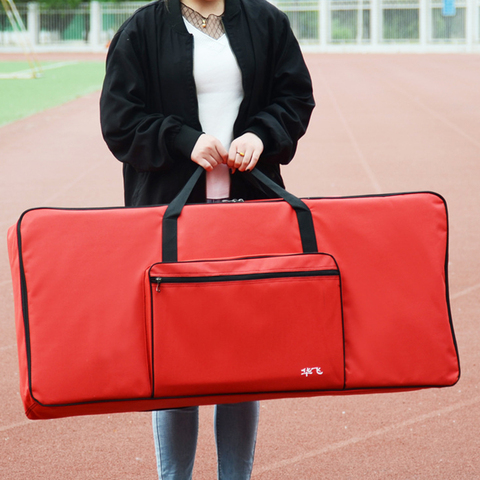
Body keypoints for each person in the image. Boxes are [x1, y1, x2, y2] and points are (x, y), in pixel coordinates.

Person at [99, 0, 314, 478]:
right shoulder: (144, 28)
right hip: (171, 216)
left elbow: (296, 97)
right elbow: (119, 118)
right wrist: (182, 139)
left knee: (243, 356)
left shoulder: (267, 22)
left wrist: (261, 134)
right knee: (177, 359)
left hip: (248, 214)